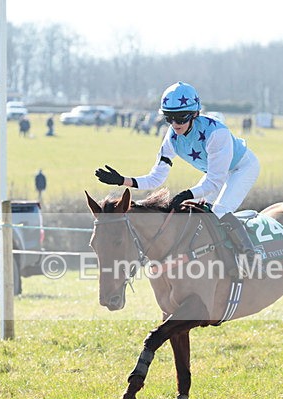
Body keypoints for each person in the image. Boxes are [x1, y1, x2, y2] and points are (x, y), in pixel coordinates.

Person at [94, 81, 259, 267]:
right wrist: (123, 180)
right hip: (215, 174)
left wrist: (186, 194)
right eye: (169, 118)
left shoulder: (216, 133)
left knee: (219, 211)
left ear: (195, 114)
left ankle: (251, 258)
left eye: (180, 118)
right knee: (194, 211)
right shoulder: (171, 138)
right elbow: (156, 177)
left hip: (241, 168)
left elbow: (215, 181)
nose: (175, 124)